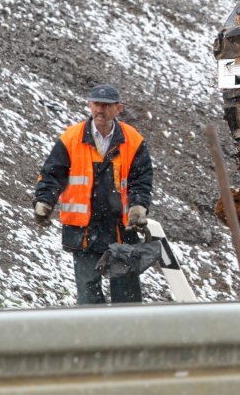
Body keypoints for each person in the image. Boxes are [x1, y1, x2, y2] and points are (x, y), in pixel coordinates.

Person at [33, 84, 153, 304]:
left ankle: (128, 338)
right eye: (97, 104)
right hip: (84, 229)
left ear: (118, 109)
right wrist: (44, 201)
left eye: (106, 106)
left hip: (121, 229)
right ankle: (95, 337)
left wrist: (138, 206)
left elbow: (141, 179)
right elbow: (52, 174)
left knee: (126, 295)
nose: (100, 110)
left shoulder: (132, 140)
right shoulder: (71, 138)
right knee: (88, 293)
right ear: (89, 105)